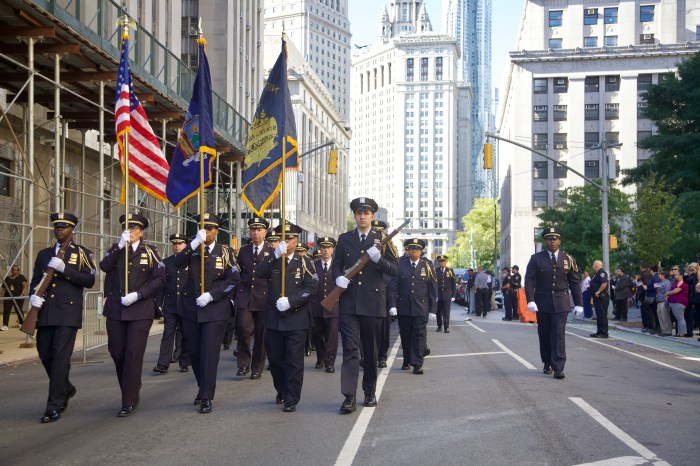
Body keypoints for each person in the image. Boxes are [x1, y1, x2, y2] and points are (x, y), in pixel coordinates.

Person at [28, 212, 96, 423]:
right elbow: (35, 281)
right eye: (57, 226)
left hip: (68, 312)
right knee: (45, 354)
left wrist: (65, 269)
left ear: (72, 230)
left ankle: (53, 405)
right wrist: (33, 297)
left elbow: (89, 280)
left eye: (64, 227)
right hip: (46, 312)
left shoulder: (82, 253)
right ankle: (66, 388)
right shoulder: (43, 254)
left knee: (60, 358)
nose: (59, 230)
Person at [332, 197, 398, 414]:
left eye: (366, 213)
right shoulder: (344, 239)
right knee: (351, 350)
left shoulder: (383, 240)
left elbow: (396, 270)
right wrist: (338, 280)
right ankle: (349, 397)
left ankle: (369, 391)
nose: (362, 216)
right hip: (350, 303)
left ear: (372, 216)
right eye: (358, 213)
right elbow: (336, 267)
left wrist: (379, 259)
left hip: (373, 303)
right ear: (354, 215)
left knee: (370, 351)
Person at [99, 213, 165, 417]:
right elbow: (104, 266)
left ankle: (128, 399)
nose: (131, 231)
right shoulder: (117, 249)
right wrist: (119, 245)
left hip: (140, 309)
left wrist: (139, 294)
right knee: (117, 352)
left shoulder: (150, 251)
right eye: (127, 228)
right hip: (117, 310)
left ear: (142, 232)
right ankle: (131, 386)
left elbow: (160, 278)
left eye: (135, 228)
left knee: (133, 354)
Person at [175, 213, 239, 413]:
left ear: (217, 231)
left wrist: (212, 295)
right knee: (194, 352)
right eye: (203, 228)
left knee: (209, 354)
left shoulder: (225, 252)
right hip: (191, 308)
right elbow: (177, 263)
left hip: (215, 309)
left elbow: (234, 279)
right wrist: (193, 244)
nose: (207, 232)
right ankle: (202, 387)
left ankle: (206, 396)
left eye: (210, 229)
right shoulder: (193, 249)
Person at [257, 222, 317, 412]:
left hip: (296, 319)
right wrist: (275, 254)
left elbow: (311, 288)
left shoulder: (305, 262)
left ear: (296, 240)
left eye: (289, 238)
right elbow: (259, 273)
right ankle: (281, 389)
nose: (286, 241)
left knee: (293, 360)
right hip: (274, 319)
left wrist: (292, 301)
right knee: (275, 360)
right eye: (282, 237)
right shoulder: (273, 259)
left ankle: (292, 397)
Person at [525, 227, 582, 379]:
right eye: (549, 239)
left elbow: (575, 283)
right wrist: (530, 300)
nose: (552, 241)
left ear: (559, 241)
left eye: (555, 239)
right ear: (545, 241)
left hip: (561, 302)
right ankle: (547, 361)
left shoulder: (568, 259)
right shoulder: (536, 258)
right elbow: (529, 280)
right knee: (544, 334)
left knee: (558, 334)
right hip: (542, 301)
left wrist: (579, 303)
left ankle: (558, 367)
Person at [235, 217, 274, 379]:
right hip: (245, 297)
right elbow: (238, 273)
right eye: (253, 230)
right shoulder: (243, 251)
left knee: (261, 335)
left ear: (265, 232)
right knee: (243, 329)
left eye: (259, 230)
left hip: (263, 298)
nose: (256, 233)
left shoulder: (272, 252)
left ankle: (257, 366)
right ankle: (243, 364)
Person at [394, 239, 437, 374]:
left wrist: (433, 309)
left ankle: (418, 363)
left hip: (421, 307)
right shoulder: (400, 264)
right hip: (404, 307)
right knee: (405, 335)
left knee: (419, 335)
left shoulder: (427, 265)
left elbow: (433, 288)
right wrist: (392, 305)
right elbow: (393, 286)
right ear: (407, 250)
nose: (414, 251)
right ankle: (406, 360)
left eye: (417, 249)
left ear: (421, 251)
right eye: (411, 249)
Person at [153, 234, 190, 375]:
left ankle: (184, 360)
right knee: (168, 333)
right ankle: (163, 363)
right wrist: (158, 302)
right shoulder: (166, 262)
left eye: (180, 244)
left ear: (186, 245)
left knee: (185, 333)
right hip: (170, 304)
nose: (177, 246)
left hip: (186, 305)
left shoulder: (191, 261)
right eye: (174, 244)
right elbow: (161, 284)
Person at [310, 236, 340, 373]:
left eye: (328, 247)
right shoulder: (313, 266)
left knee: (332, 336)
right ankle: (321, 358)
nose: (326, 250)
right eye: (323, 247)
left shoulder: (338, 266)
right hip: (316, 306)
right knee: (317, 334)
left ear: (333, 249)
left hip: (334, 307)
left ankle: (330, 362)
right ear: (319, 249)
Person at [371, 220, 396, 368]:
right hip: (365, 291)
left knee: (383, 328)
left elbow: (394, 269)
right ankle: (365, 356)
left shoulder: (388, 247)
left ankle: (381, 356)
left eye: (380, 232)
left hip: (383, 291)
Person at [2, 264, 27, 330]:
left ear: (18, 271)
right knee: (6, 311)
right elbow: (3, 289)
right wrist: (2, 298)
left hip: (18, 297)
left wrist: (22, 294)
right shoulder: (7, 278)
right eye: (12, 269)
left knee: (18, 310)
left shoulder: (21, 277)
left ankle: (22, 323)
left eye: (16, 270)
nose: (14, 271)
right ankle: (5, 325)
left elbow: (24, 286)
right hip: (8, 297)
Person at [435, 255, 456, 332]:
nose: (442, 263)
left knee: (446, 312)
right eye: (440, 261)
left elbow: (453, 284)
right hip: (438, 294)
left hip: (447, 295)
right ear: (438, 262)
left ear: (446, 262)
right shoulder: (435, 270)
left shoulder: (450, 270)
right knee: (438, 312)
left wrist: (453, 295)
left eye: (443, 261)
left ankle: (446, 327)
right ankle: (439, 326)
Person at [589, 260, 610, 338]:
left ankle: (604, 332)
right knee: (599, 315)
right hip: (597, 298)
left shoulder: (602, 273)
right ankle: (599, 331)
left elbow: (604, 283)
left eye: (593, 264)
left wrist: (598, 292)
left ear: (597, 265)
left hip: (601, 297)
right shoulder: (596, 274)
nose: (592, 265)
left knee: (602, 315)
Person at [666, 269, 689, 337]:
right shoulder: (675, 283)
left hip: (679, 303)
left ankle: (682, 332)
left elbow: (675, 291)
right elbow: (672, 290)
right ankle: (679, 332)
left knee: (680, 318)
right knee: (678, 318)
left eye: (677, 274)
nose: (675, 276)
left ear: (681, 276)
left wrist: (667, 293)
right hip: (673, 303)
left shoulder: (684, 284)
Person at [655, 270, 673, 336]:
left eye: (659, 274)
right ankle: (663, 330)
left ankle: (668, 331)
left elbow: (667, 293)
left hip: (663, 302)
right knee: (661, 317)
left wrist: (666, 302)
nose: (658, 275)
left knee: (665, 317)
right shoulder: (660, 282)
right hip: (659, 301)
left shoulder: (667, 283)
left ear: (663, 275)